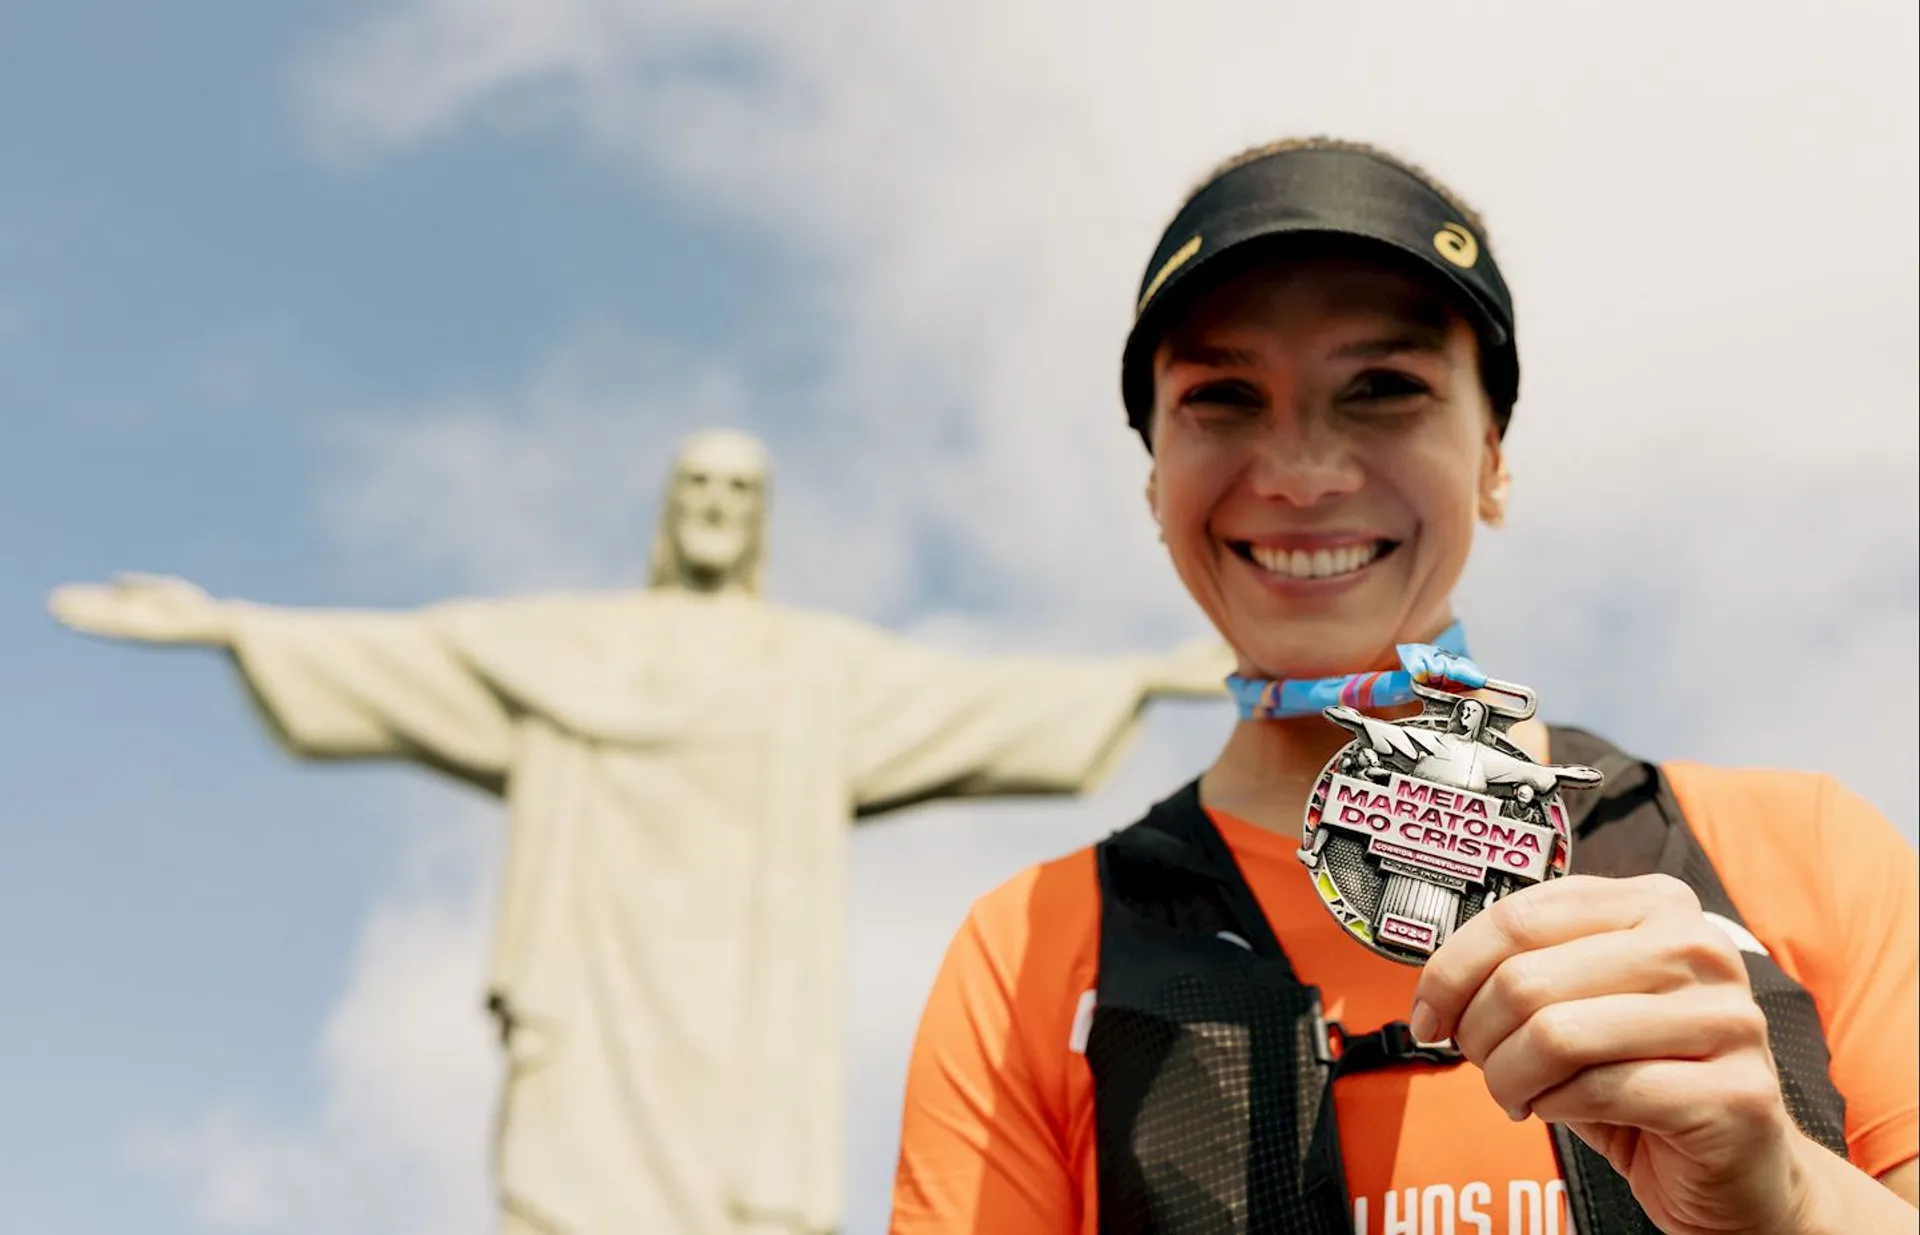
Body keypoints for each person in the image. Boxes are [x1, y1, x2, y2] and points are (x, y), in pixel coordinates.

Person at [887, 139, 1917, 1235]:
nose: (1301, 473)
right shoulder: (1033, 948)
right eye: (1222, 396)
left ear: (1492, 458)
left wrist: (1793, 1197)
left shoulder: (1804, 853)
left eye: (1386, 387)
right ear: (1153, 482)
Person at [50, 428, 1234, 1235]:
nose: (716, 510)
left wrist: (1136, 678)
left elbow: (970, 699)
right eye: (699, 490)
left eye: (739, 493)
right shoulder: (569, 645)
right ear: (672, 514)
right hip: (597, 980)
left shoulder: (809, 668)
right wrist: (228, 627)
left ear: (759, 519)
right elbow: (411, 657)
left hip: (743, 1006)